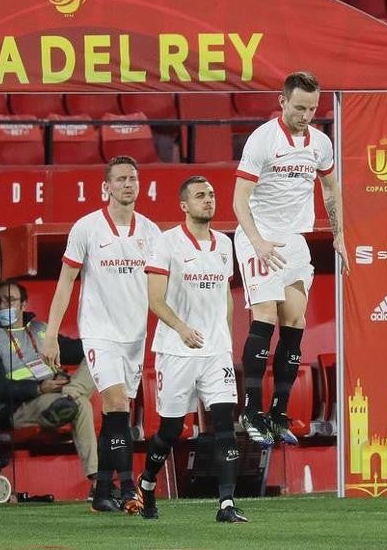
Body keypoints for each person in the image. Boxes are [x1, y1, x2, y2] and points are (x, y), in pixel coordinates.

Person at [42, 155, 161, 512]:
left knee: (116, 415)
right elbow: (65, 285)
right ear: (105, 187)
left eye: (133, 178)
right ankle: (127, 489)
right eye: (122, 179)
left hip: (134, 335)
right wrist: (50, 335)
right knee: (116, 403)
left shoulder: (150, 232)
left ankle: (100, 494)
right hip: (99, 332)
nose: (128, 184)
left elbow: (160, 287)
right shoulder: (87, 228)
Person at [233, 71, 347, 446]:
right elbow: (239, 200)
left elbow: (330, 189)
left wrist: (339, 236)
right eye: (299, 107)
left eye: (312, 108)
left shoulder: (320, 142)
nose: (306, 114)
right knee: (265, 315)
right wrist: (257, 242)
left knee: (294, 319)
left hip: (294, 239)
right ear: (282, 102)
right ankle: (250, 411)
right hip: (258, 236)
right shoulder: (262, 140)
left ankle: (278, 415)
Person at [135, 176, 246, 524]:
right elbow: (154, 299)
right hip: (177, 351)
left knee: (225, 423)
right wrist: (182, 329)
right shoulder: (165, 244)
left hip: (215, 353)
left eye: (211, 194)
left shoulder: (225, 245)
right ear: (184, 205)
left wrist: (225, 340)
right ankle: (148, 482)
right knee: (171, 430)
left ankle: (226, 504)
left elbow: (226, 295)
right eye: (200, 196)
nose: (208, 200)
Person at [0, 280, 97, 489]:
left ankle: (69, 397)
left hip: (56, 393)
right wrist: (38, 388)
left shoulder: (41, 330)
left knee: (97, 356)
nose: (1, 306)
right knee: (82, 405)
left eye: (9, 300)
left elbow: (77, 349)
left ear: (24, 304)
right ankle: (99, 483)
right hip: (19, 406)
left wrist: (102, 343)